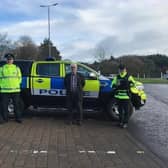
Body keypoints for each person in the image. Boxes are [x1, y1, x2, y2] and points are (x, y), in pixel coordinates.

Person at [0, 53, 23, 123]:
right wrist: (1, 86)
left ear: (13, 60)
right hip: (5, 91)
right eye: (8, 59)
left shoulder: (16, 68)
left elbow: (20, 78)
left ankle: (18, 118)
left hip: (15, 90)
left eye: (10, 59)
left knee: (16, 105)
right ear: (6, 60)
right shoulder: (1, 68)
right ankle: (4, 119)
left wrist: (16, 85)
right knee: (4, 106)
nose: (9, 60)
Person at [112, 64, 135, 128]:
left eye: (122, 69)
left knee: (126, 111)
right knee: (120, 110)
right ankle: (120, 122)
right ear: (118, 70)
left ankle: (125, 123)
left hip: (126, 97)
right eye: (120, 69)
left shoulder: (129, 76)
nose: (121, 70)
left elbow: (134, 84)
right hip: (119, 96)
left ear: (125, 69)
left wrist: (129, 85)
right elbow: (112, 85)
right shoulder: (117, 77)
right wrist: (116, 85)